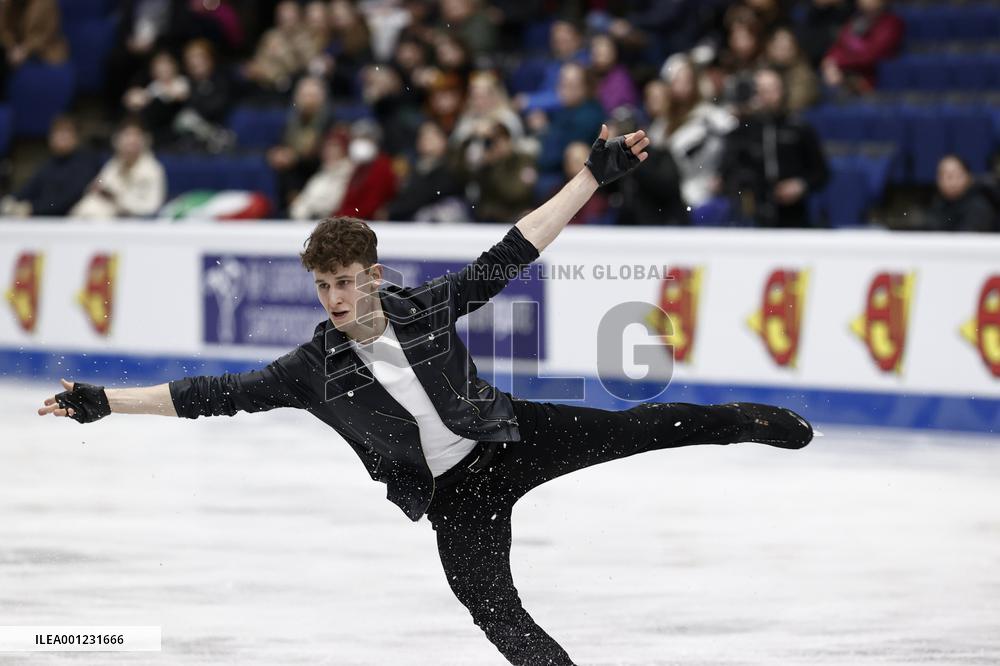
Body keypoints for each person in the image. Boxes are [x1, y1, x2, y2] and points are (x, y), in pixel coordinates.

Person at [39, 125, 814, 665]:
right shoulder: (310, 368)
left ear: (372, 276)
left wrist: (590, 177)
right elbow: (213, 393)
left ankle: (744, 421)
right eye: (324, 286)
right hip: (450, 494)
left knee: (639, 424)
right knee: (494, 613)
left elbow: (511, 252)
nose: (335, 299)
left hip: (507, 437)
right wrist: (107, 401)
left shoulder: (425, 307)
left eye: (346, 282)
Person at [719, 67, 828, 227]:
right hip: (752, 214)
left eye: (772, 89)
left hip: (794, 214)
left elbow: (821, 172)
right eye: (762, 90)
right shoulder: (742, 130)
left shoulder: (799, 128)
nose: (767, 95)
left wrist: (800, 185)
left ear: (782, 91)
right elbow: (728, 170)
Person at [0, 116, 100, 217]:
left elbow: (70, 199)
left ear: (77, 137)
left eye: (66, 133)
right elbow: (29, 189)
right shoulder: (49, 165)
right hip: (45, 220)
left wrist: (32, 208)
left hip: (70, 221)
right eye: (57, 133)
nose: (61, 137)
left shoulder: (86, 162)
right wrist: (11, 200)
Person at [69, 118, 166, 220]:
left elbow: (152, 207)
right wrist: (97, 189)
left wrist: (118, 200)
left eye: (135, 136)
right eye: (126, 135)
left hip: (134, 223)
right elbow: (98, 185)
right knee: (88, 207)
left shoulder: (153, 169)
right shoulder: (113, 164)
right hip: (108, 217)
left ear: (144, 141)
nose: (130, 140)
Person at [822, 0, 904, 94]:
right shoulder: (856, 20)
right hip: (845, 73)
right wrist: (830, 61)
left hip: (871, 78)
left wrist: (838, 62)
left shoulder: (892, 23)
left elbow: (872, 55)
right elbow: (839, 44)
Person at [927, 155, 998, 233]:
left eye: (956, 175)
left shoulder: (979, 207)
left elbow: (967, 239)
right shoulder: (937, 204)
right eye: (945, 176)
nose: (952, 182)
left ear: (968, 177)